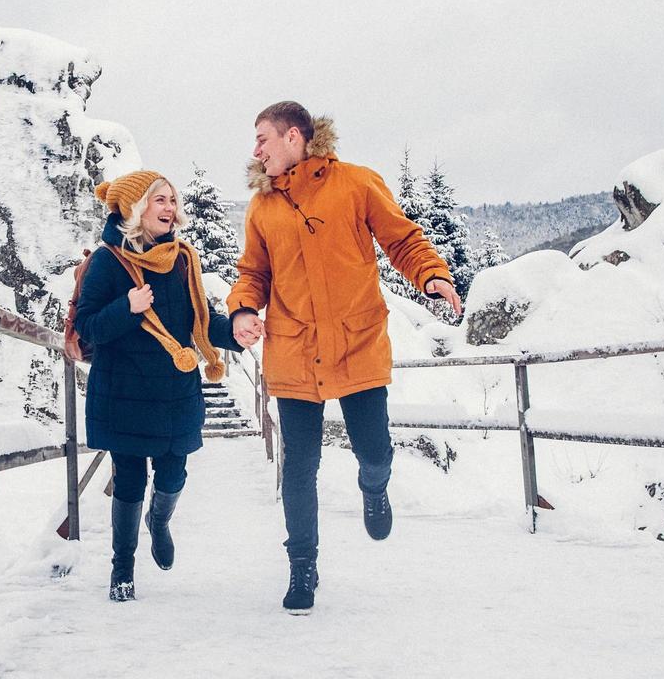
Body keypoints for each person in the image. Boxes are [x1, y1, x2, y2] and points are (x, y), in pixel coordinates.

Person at [228, 102, 463, 614]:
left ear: (294, 137)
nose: (256, 150)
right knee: (299, 467)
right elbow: (253, 272)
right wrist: (243, 309)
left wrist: (431, 275)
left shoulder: (356, 183)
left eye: (263, 138)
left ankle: (374, 488)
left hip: (356, 342)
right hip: (293, 350)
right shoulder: (262, 208)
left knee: (375, 450)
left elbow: (402, 239)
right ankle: (303, 567)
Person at [73, 170, 243, 602]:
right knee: (129, 479)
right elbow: (87, 327)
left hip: (174, 389)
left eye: (172, 199)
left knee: (173, 472)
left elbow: (199, 321)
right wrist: (127, 307)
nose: (170, 208)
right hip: (124, 392)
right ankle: (122, 568)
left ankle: (160, 521)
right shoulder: (108, 261)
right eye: (159, 200)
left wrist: (234, 334)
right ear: (136, 208)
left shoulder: (183, 260)